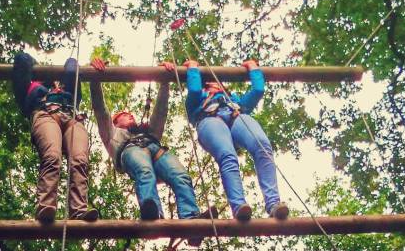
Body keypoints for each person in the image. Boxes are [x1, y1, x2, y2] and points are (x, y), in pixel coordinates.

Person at [87, 58, 216, 222]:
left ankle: (190, 217)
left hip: (156, 149)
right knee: (144, 171)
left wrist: (165, 80)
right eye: (125, 116)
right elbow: (100, 109)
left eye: (131, 115)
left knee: (181, 176)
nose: (130, 116)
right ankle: (153, 213)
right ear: (115, 122)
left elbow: (160, 111)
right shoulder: (112, 134)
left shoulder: (149, 132)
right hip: (131, 150)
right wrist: (95, 79)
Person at [183, 59, 288, 221]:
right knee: (227, 155)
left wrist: (253, 68)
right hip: (209, 120)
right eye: (210, 83)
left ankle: (273, 203)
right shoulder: (195, 101)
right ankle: (239, 206)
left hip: (236, 116)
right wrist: (192, 69)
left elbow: (258, 90)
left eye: (217, 83)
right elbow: (195, 90)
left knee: (262, 145)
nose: (215, 84)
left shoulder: (235, 101)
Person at [11, 51, 99, 223]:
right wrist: (39, 69)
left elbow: (72, 65)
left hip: (71, 117)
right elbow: (21, 60)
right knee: (52, 156)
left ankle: (79, 210)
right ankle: (46, 206)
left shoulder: (68, 91)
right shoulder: (31, 87)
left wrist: (59, 76)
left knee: (80, 160)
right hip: (45, 114)